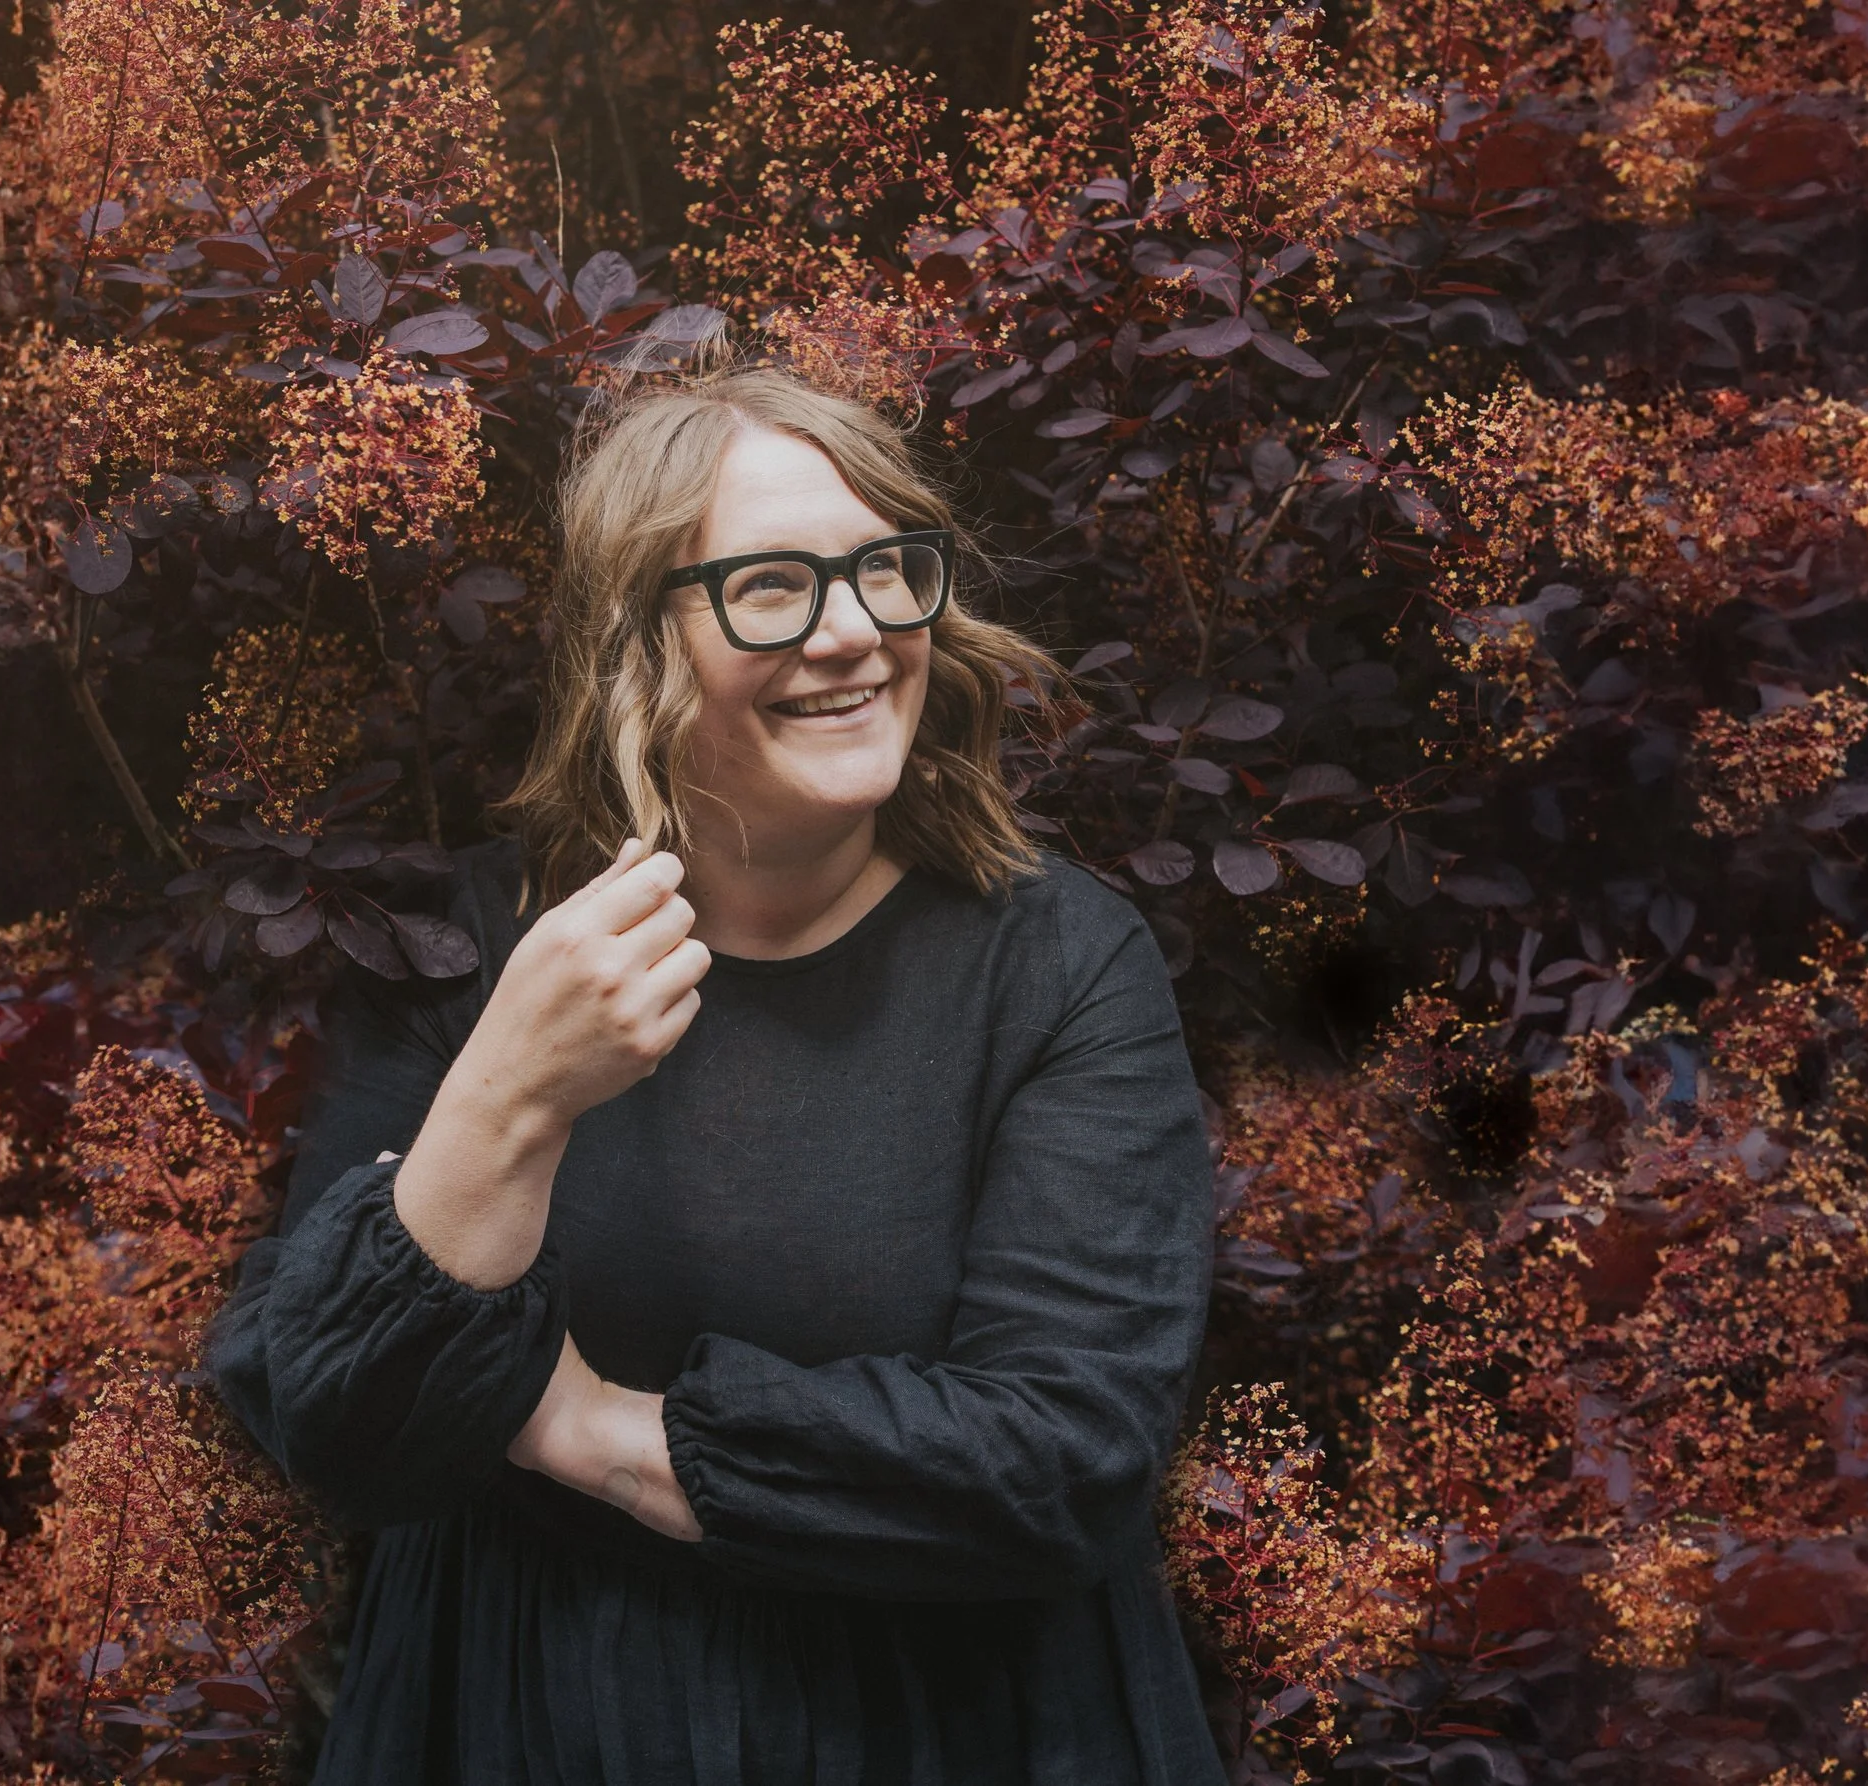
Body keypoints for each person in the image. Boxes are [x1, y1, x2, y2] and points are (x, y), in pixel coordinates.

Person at [207, 365, 1225, 1785]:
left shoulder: (1057, 966)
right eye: (773, 587)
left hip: (952, 1724)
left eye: (885, 569)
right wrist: (511, 1085)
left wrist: (593, 1432)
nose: (857, 630)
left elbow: (1063, 1456)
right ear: (641, 643)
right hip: (524, 1718)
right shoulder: (470, 949)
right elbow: (325, 1418)